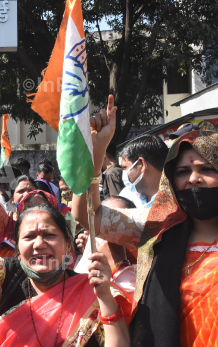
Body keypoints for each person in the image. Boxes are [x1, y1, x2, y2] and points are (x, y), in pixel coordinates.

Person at [0, 127, 131, 346]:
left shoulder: (93, 288)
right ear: (15, 247)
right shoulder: (5, 277)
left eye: (49, 234)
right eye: (29, 237)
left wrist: (105, 297)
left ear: (68, 244)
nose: (40, 244)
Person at [73, 95, 218, 346]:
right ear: (171, 180)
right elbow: (88, 216)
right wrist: (95, 153)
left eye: (207, 169)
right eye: (183, 172)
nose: (194, 179)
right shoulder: (157, 227)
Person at [75, 195, 137, 296]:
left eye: (120, 225)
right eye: (104, 227)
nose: (111, 236)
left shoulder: (147, 271)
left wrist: (120, 264)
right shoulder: (82, 275)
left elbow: (131, 307)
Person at [117, 134, 168, 208]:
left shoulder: (176, 202)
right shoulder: (126, 196)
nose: (123, 173)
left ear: (141, 164)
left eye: (125, 167)